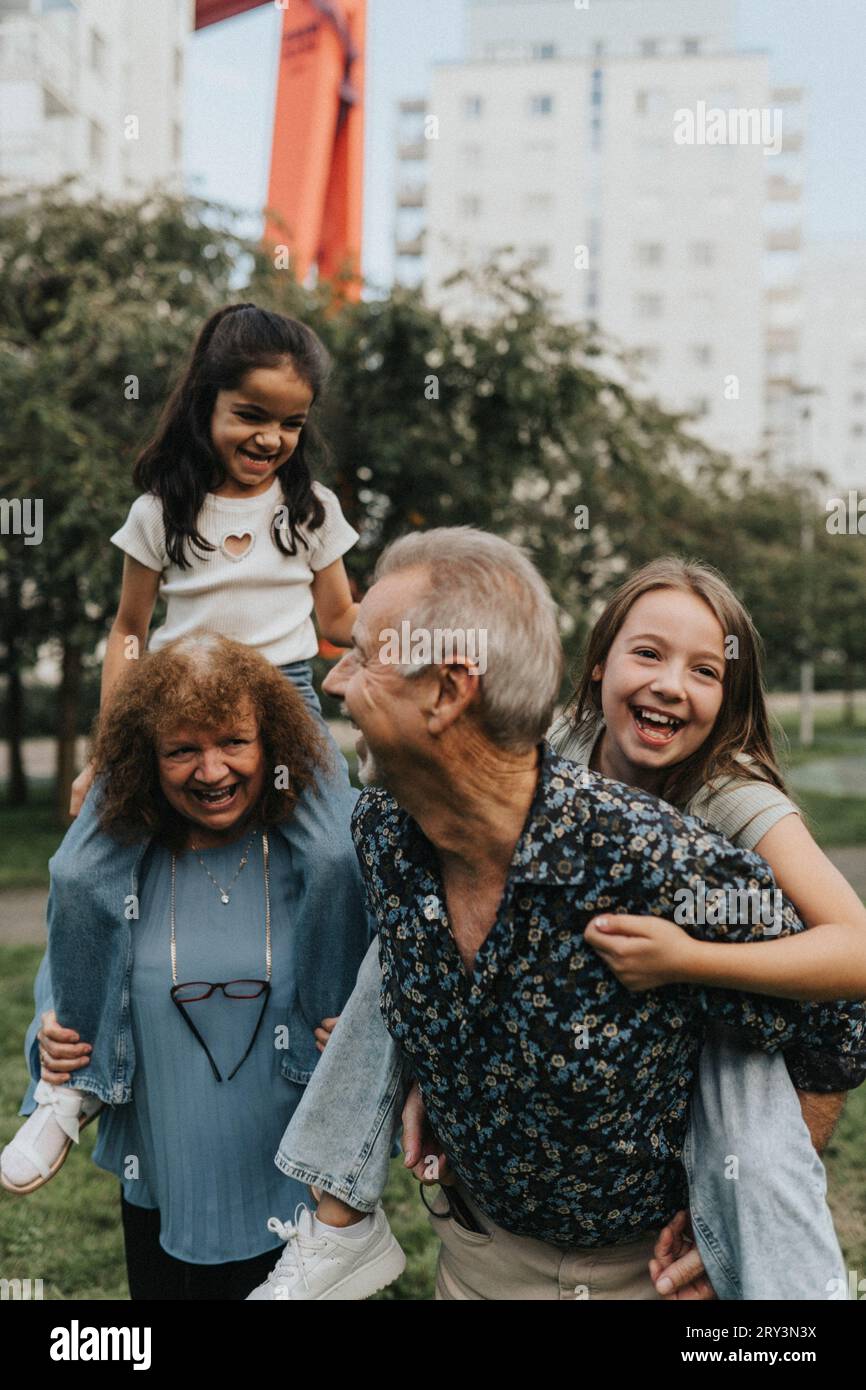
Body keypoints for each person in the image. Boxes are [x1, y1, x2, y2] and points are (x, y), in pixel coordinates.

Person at [247, 534, 866, 1301]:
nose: (336, 679)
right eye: (649, 655)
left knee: (751, 1124)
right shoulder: (528, 763)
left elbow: (848, 974)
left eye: (705, 671)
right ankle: (339, 1215)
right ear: (599, 663)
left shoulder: (718, 816)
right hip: (489, 1253)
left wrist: (688, 959)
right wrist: (438, 1056)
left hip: (713, 1011)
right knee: (402, 943)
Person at [1, 301, 364, 1196]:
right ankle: (70, 1084)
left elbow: (341, 625)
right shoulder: (163, 509)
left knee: (332, 853)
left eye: (292, 421)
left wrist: (422, 638)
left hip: (283, 699)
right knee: (82, 874)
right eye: (252, 414)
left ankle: (332, 1050)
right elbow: (129, 633)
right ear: (206, 401)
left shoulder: (310, 510)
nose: (272, 436)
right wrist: (102, 753)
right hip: (176, 701)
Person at [4, 635, 402, 1300]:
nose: (211, 770)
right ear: (146, 760)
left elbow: (401, 992)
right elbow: (68, 986)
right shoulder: (118, 872)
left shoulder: (320, 870)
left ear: (273, 744)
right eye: (182, 749)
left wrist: (362, 1029)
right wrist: (47, 1044)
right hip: (164, 1191)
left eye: (233, 743)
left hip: (296, 1213)